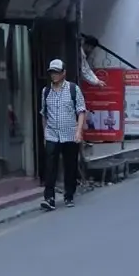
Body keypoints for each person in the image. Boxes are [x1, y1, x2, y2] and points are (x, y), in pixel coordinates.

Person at [40, 58, 86, 210]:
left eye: (57, 72)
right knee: (50, 167)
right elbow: (44, 114)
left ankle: (69, 195)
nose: (54, 75)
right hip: (52, 134)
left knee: (70, 166)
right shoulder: (46, 91)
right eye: (52, 72)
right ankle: (49, 198)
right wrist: (45, 133)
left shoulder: (73, 89)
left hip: (70, 134)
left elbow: (81, 111)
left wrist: (79, 131)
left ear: (63, 73)